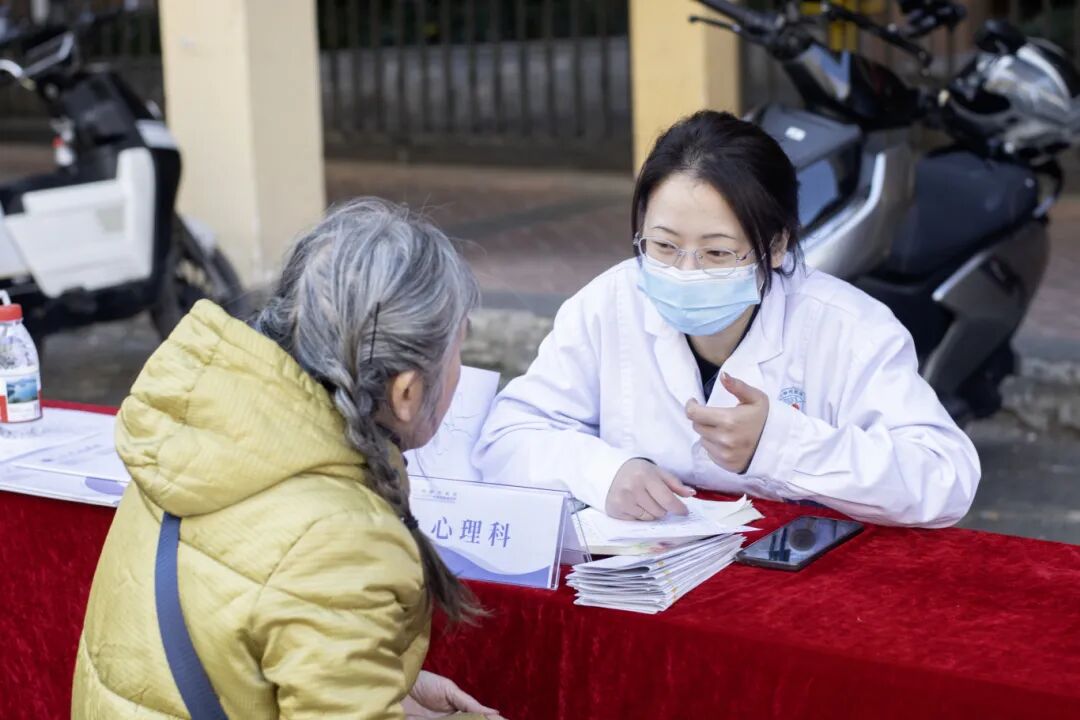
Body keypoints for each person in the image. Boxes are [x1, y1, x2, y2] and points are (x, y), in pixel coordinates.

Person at [73, 199, 504, 719]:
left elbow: (236, 652)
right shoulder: (344, 537)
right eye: (458, 351)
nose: (459, 368)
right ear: (407, 392)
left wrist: (392, 690)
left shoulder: (197, 428)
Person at [474, 110, 980, 528]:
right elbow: (507, 436)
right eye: (664, 246)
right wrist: (603, 472)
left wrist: (781, 444)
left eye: (717, 254)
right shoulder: (610, 303)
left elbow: (944, 479)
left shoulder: (849, 328)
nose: (685, 272)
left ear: (777, 245)